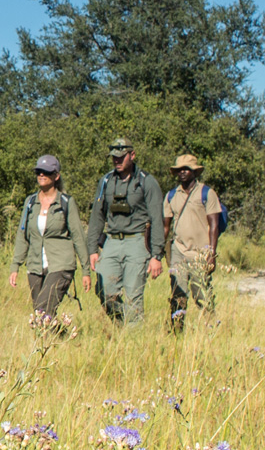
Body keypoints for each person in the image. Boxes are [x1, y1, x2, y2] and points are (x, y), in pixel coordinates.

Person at [91, 138, 164, 326]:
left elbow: (157, 219)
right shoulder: (106, 181)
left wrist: (157, 255)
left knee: (133, 296)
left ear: (132, 155)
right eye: (114, 157)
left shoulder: (147, 182)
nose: (117, 161)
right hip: (112, 242)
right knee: (103, 290)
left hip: (137, 242)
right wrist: (92, 249)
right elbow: (97, 216)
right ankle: (124, 325)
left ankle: (134, 339)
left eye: (121, 157)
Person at [7, 154, 85, 319]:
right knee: (44, 314)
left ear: (56, 176)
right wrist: (15, 266)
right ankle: (59, 340)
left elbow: (78, 236)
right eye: (38, 172)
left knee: (41, 312)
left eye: (46, 171)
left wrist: (86, 270)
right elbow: (22, 235)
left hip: (60, 264)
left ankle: (41, 343)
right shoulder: (30, 202)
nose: (41, 175)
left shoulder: (65, 202)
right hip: (35, 265)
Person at [160, 152, 225, 322]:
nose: (182, 172)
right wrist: (157, 250)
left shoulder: (207, 193)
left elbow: (214, 225)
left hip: (200, 253)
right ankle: (176, 332)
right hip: (178, 251)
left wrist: (211, 254)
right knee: (177, 293)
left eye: (187, 169)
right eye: (179, 169)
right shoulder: (171, 195)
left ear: (195, 172)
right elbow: (165, 226)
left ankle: (211, 328)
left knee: (202, 295)